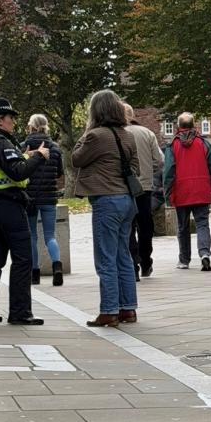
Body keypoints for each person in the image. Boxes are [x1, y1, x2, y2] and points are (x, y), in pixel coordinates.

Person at [0, 97, 49, 325]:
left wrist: (25, 156)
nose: (14, 122)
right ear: (0, 119)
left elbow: (7, 169)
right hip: (10, 206)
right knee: (23, 259)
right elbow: (17, 172)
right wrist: (37, 157)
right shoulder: (1, 143)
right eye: (11, 118)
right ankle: (20, 312)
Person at [72, 90, 139, 327]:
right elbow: (136, 167)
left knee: (106, 258)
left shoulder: (95, 136)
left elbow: (76, 159)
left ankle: (109, 310)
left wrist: (86, 133)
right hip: (127, 200)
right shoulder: (127, 135)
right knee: (124, 255)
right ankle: (128, 308)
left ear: (96, 111)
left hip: (106, 200)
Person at [163, 112, 211, 271]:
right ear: (194, 125)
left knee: (182, 227)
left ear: (178, 126)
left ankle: (184, 260)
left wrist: (167, 192)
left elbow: (168, 171)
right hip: (201, 189)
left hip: (181, 191)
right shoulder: (203, 143)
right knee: (202, 223)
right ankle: (204, 254)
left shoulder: (172, 145)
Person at [22, 114, 65, 286]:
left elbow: (19, 168)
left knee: (32, 236)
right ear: (46, 127)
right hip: (49, 197)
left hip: (30, 197)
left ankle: (34, 274)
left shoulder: (24, 146)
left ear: (31, 126)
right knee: (50, 235)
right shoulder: (54, 147)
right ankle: (57, 267)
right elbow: (60, 172)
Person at [123, 103, 164, 280]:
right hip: (145, 186)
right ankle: (146, 260)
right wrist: (148, 170)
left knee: (128, 226)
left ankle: (133, 263)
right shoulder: (147, 133)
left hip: (124, 186)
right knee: (145, 224)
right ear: (133, 115)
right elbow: (160, 160)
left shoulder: (117, 134)